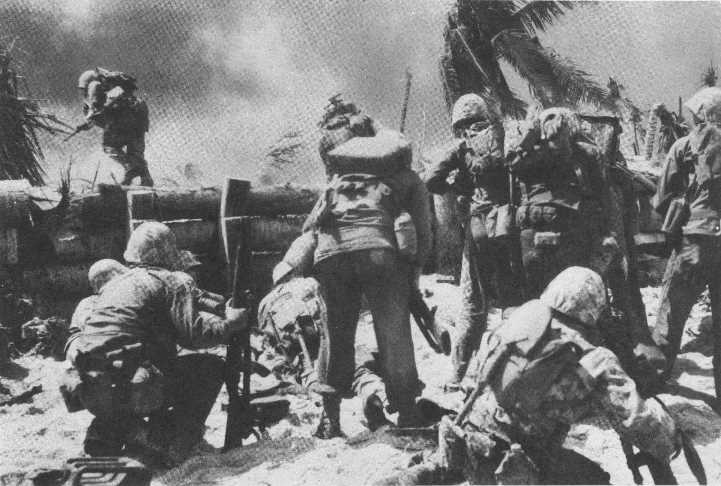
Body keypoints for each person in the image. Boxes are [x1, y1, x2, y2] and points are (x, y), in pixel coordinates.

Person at [388, 267, 679, 485]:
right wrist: (672, 435)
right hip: (516, 465)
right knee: (596, 479)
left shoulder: (516, 323)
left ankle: (421, 472)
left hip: (466, 440)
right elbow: (639, 422)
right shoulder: (594, 357)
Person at [64, 222, 247, 464]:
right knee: (209, 366)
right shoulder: (171, 280)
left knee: (154, 361)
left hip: (88, 388)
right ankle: (174, 443)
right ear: (167, 251)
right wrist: (230, 324)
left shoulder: (115, 285)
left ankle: (108, 433)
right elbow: (195, 335)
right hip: (136, 389)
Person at [303, 108, 433, 438]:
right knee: (393, 332)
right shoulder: (407, 178)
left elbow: (310, 227)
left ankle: (330, 418)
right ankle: (406, 411)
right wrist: (414, 274)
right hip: (379, 255)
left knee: (336, 336)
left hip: (331, 256)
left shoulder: (338, 181)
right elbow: (424, 232)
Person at [424, 93, 524, 390]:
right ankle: (511, 371)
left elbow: (431, 180)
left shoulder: (461, 147)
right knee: (511, 299)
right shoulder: (505, 137)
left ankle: (458, 372)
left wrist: (458, 185)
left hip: (478, 228)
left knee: (472, 303)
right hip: (508, 227)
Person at [652, 86, 721, 398]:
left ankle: (655, 383)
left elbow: (661, 198)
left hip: (694, 241)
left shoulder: (684, 146)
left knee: (672, 315)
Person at [509, 107, 619, 298]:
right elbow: (602, 193)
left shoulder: (530, 156)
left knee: (536, 292)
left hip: (533, 223)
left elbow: (511, 163)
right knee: (572, 289)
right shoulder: (586, 152)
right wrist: (607, 230)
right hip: (572, 223)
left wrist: (529, 137)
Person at [76, 68, 153, 186]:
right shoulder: (116, 88)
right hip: (139, 116)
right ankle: (145, 179)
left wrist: (86, 123)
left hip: (121, 121)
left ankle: (130, 168)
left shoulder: (95, 87)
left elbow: (96, 114)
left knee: (109, 146)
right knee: (136, 152)